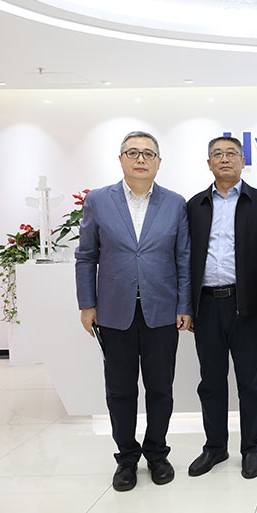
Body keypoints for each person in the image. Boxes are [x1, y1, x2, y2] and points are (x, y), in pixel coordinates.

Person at [75, 131, 191, 492]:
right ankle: (126, 458)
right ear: (121, 159)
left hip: (162, 311)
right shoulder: (98, 201)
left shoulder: (175, 203)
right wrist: (87, 304)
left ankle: (157, 453)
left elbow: (183, 258)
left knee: (160, 389)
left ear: (158, 162)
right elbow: (86, 256)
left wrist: (184, 305)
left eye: (148, 154)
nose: (141, 159)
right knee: (120, 390)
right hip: (114, 312)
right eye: (133, 152)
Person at [186, 135, 257, 479]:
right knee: (210, 381)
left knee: (250, 383)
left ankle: (250, 449)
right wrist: (187, 305)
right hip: (207, 306)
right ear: (208, 163)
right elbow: (184, 258)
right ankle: (215, 447)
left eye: (231, 153)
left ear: (243, 161)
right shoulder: (194, 206)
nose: (224, 159)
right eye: (217, 154)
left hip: (248, 306)